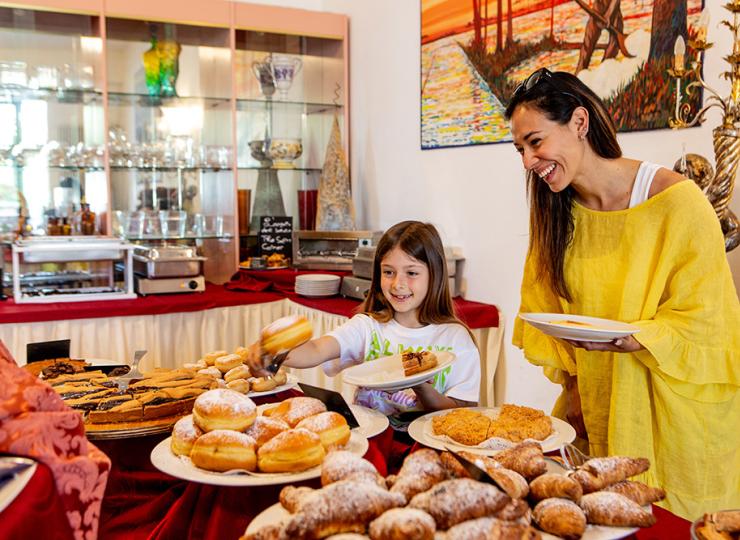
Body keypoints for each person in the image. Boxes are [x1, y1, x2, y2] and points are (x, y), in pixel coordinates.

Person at [505, 67, 740, 520]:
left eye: (535, 142)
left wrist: (634, 338)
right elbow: (545, 309)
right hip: (597, 405)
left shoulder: (679, 202)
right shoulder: (556, 215)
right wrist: (572, 390)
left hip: (679, 416)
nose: (528, 162)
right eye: (520, 149)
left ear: (578, 122)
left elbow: (710, 319)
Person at [249, 220, 480, 430]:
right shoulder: (369, 326)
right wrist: (273, 353)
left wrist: (421, 386)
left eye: (411, 273)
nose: (398, 284)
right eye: (388, 272)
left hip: (424, 448)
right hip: (372, 443)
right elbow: (317, 349)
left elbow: (461, 413)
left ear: (435, 275)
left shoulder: (455, 339)